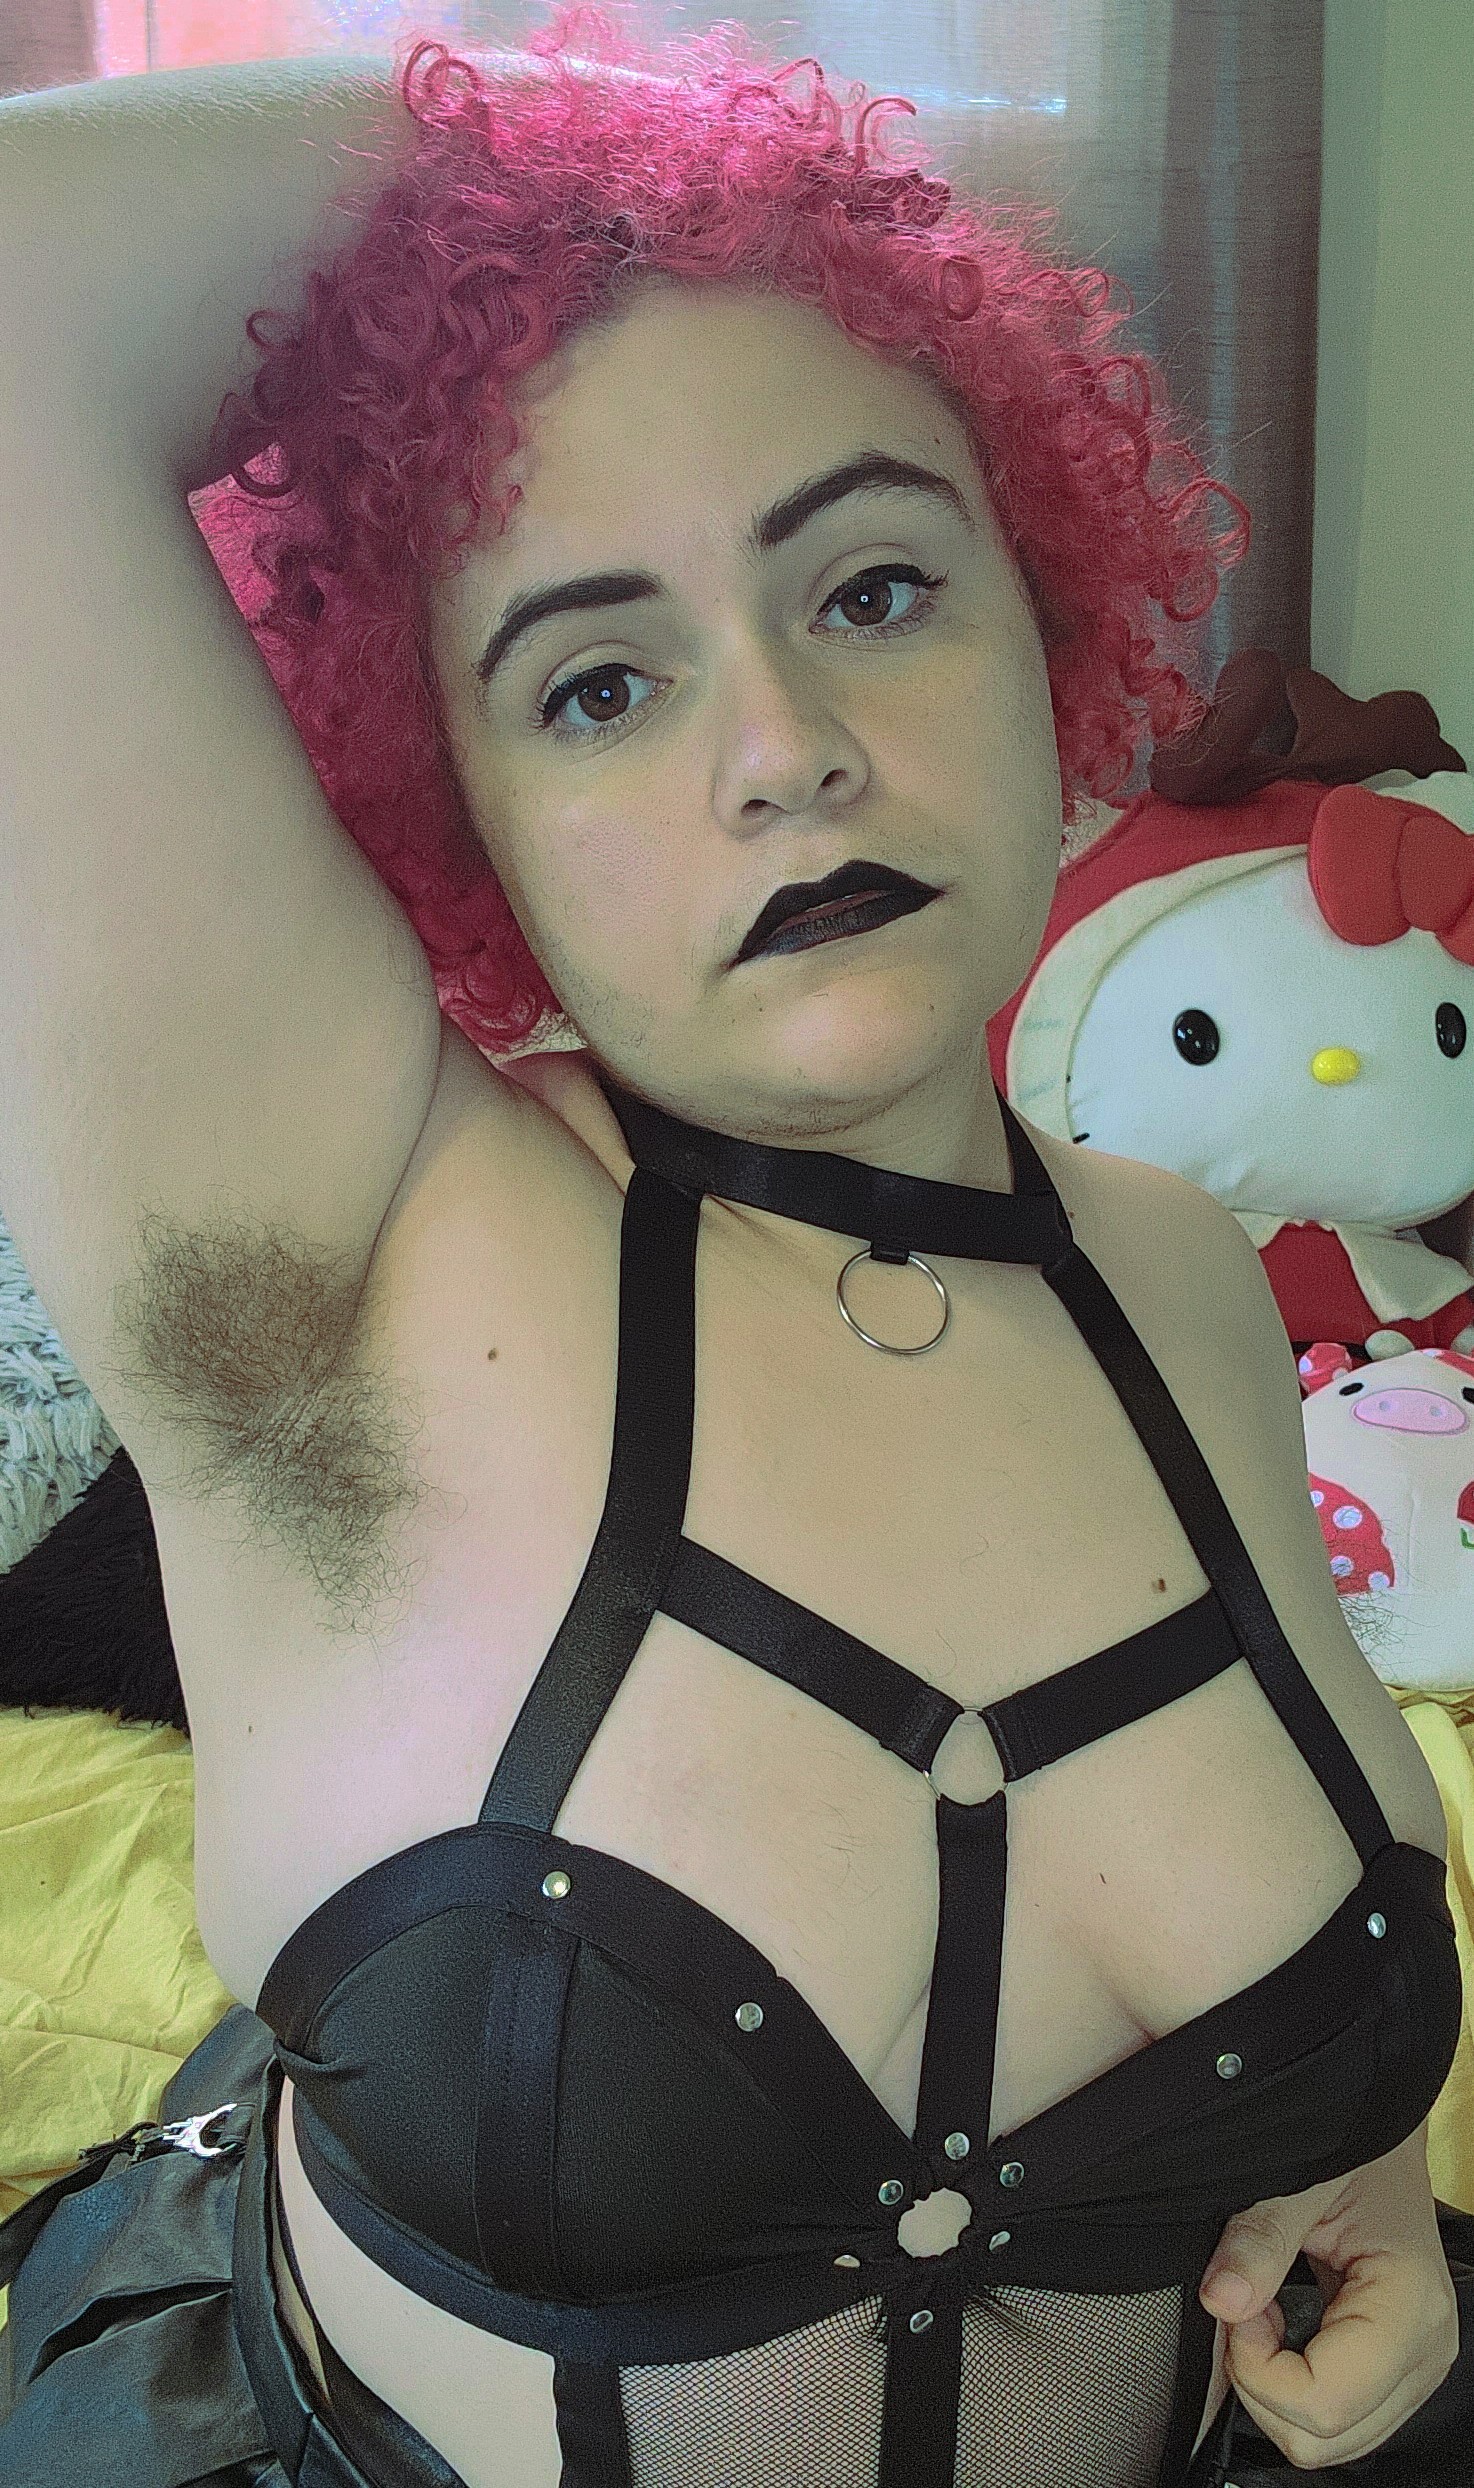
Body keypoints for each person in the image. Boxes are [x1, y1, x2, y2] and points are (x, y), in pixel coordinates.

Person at [0, 12, 1465, 2486]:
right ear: (455, 807)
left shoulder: (1175, 1270)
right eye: (596, 683)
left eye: (872, 586)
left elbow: (1308, 1863)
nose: (780, 744)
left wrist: (1359, 2173)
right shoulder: (343, 1253)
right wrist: (592, 151)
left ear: (1043, 637)